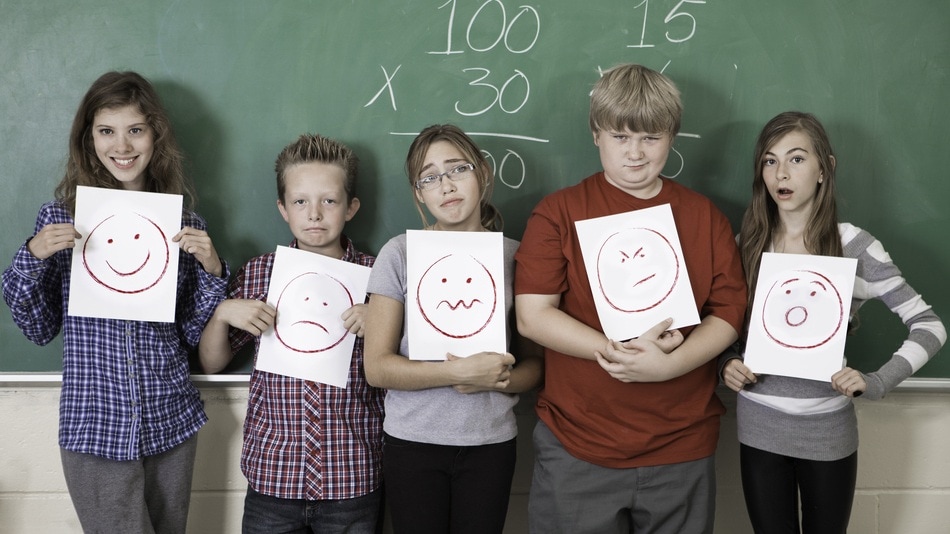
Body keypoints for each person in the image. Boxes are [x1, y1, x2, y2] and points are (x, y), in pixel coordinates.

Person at [514, 63, 748, 533]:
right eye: (620, 137)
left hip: (682, 444)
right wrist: (615, 352)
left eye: (651, 137)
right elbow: (533, 317)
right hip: (578, 443)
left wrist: (669, 365)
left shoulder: (705, 217)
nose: (636, 153)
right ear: (596, 134)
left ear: (673, 136)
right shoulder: (559, 212)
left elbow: (728, 312)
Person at [1, 71, 228, 533]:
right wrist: (33, 255)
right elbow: (37, 328)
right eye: (107, 131)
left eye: (135, 130)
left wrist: (213, 271)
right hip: (95, 425)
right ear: (89, 139)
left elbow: (188, 332)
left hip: (171, 419)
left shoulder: (182, 223)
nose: (122, 146)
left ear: (155, 135)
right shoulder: (60, 219)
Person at [720, 111, 947, 533]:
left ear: (825, 167)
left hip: (827, 427)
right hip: (758, 424)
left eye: (797, 159)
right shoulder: (745, 244)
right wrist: (728, 362)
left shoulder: (854, 246)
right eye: (769, 161)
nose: (781, 173)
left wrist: (878, 380)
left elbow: (930, 326)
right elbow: (724, 324)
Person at [198, 133, 385, 533]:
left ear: (351, 207)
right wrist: (221, 313)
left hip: (352, 476)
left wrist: (383, 323)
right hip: (273, 478)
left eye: (329, 201)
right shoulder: (259, 273)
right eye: (300, 201)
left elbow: (404, 367)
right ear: (283, 208)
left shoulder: (379, 277)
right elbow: (213, 361)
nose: (314, 214)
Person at [363, 124, 543, 534]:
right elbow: (377, 367)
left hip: (490, 443)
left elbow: (536, 366)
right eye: (429, 177)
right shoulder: (400, 253)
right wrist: (456, 372)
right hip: (412, 442)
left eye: (457, 168)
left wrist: (498, 380)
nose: (446, 185)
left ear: (482, 172)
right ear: (418, 194)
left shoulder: (518, 257)